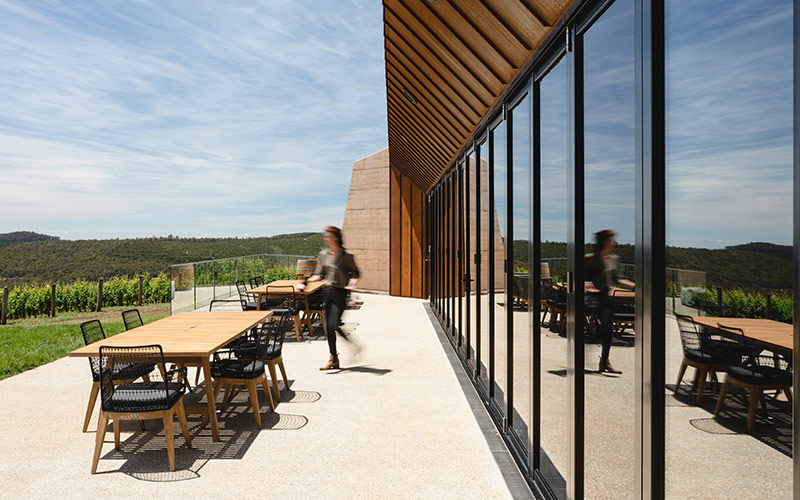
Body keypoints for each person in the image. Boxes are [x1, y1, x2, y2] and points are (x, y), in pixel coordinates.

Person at [308, 226, 360, 370]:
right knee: (329, 328)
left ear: (336, 237)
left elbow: (355, 272)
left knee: (333, 324)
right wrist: (312, 279)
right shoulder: (324, 254)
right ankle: (333, 359)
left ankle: (352, 346)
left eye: (329, 236)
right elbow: (320, 273)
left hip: (341, 294)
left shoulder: (347, 255)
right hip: (328, 293)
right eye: (325, 237)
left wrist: (353, 281)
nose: (326, 239)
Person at [584, 229, 634, 374]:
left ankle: (604, 361)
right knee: (599, 327)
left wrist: (635, 285)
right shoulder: (590, 258)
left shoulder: (613, 259)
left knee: (608, 328)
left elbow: (617, 278)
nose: (614, 243)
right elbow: (582, 276)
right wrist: (588, 285)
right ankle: (598, 358)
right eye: (611, 240)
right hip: (591, 297)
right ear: (603, 242)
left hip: (605, 297)